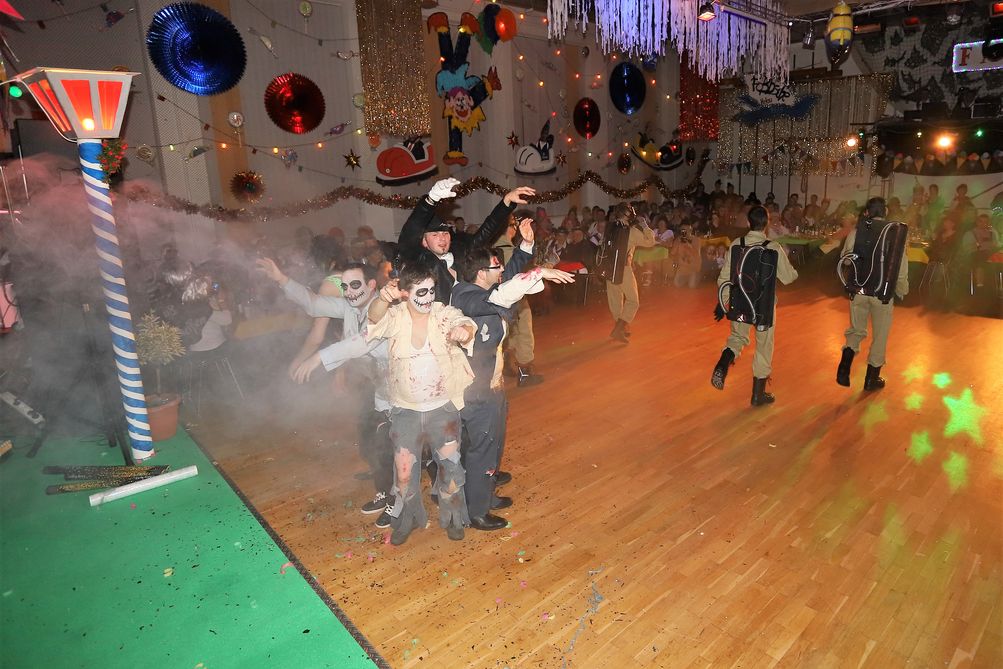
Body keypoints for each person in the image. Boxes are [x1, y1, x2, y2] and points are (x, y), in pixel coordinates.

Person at [256, 259, 395, 529]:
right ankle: (384, 491)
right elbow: (313, 304)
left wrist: (318, 358)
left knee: (391, 448)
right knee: (371, 441)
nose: (349, 292)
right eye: (345, 286)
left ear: (371, 285)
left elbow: (360, 343)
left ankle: (398, 501)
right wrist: (281, 278)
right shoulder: (349, 306)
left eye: (355, 285)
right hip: (374, 386)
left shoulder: (385, 311)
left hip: (398, 390)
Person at [451, 238, 573, 530]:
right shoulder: (464, 296)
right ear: (481, 272)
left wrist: (526, 248)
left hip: (492, 387)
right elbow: (501, 295)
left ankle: (485, 495)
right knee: (481, 449)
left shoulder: (485, 289)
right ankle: (476, 511)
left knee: (493, 445)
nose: (502, 269)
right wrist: (538, 273)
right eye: (497, 266)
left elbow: (506, 286)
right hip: (474, 392)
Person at [366, 261, 477, 545]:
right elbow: (374, 318)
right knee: (404, 474)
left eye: (431, 290)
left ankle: (453, 518)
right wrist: (382, 298)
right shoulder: (396, 316)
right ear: (405, 293)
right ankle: (409, 518)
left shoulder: (441, 313)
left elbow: (463, 321)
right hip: (405, 411)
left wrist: (464, 330)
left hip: (443, 410)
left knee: (451, 468)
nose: (428, 297)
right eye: (421, 292)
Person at [710, 205, 798, 406]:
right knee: (764, 347)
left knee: (737, 338)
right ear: (766, 224)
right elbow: (789, 277)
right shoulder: (773, 247)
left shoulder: (736, 244)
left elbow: (724, 278)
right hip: (764, 306)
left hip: (740, 301)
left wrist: (724, 302)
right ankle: (758, 394)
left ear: (748, 222)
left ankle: (723, 363)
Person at [396, 178, 534, 305]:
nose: (442, 238)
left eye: (445, 233)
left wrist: (506, 202)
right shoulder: (419, 261)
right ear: (424, 242)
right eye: (435, 234)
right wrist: (431, 200)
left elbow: (486, 231)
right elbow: (409, 234)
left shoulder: (461, 252)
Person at [836, 197, 909, 391]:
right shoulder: (894, 233)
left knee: (856, 329)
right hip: (881, 293)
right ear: (886, 211)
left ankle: (844, 365)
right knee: (880, 335)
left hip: (858, 290)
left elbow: (845, 260)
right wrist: (902, 290)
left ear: (866, 212)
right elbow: (901, 268)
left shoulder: (857, 231)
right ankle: (871, 379)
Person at [602, 204, 655, 343]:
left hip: (609, 268)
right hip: (624, 269)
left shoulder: (609, 228)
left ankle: (620, 329)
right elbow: (650, 242)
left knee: (615, 301)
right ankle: (619, 328)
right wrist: (645, 226)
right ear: (629, 215)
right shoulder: (631, 231)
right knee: (633, 301)